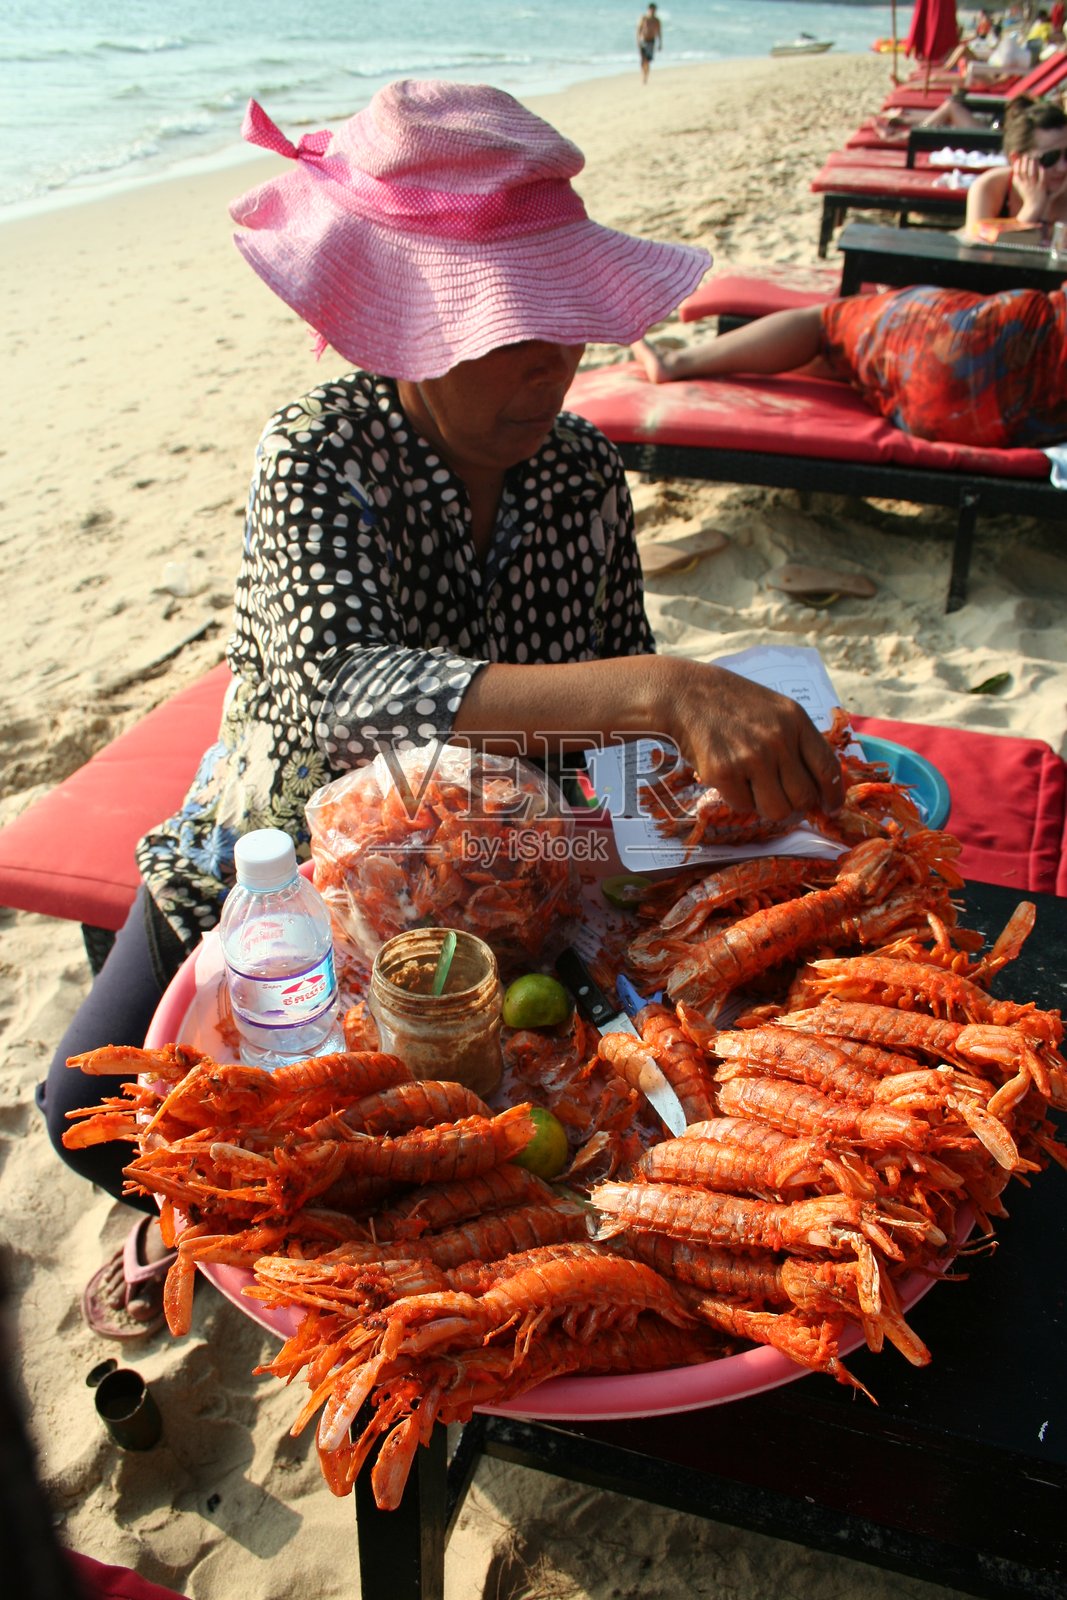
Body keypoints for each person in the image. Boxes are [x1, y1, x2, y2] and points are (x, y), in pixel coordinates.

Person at [41, 79, 844, 1334]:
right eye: (502, 330)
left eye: (561, 325)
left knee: (613, 1123)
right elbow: (341, 698)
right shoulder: (320, 453)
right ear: (410, 326)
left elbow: (617, 706)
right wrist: (653, 688)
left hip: (517, 872)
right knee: (80, 1118)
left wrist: (699, 774)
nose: (546, 365)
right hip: (297, 860)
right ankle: (171, 1224)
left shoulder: (575, 471)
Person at [631, 282, 1067, 450]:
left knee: (827, 322)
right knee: (862, 356)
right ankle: (838, 361)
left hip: (975, 338)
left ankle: (676, 361)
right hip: (985, 421)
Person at [965, 96, 1067, 229]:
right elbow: (978, 246)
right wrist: (1031, 209)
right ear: (1017, 159)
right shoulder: (991, 188)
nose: (1062, 167)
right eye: (1050, 158)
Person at [637, 4, 661, 83]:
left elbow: (659, 32)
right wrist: (638, 40)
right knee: (643, 60)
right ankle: (643, 75)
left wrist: (660, 43)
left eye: (654, 10)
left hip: (651, 41)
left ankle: (646, 76)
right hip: (643, 40)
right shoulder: (644, 18)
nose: (652, 11)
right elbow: (638, 29)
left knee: (647, 60)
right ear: (648, 10)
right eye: (651, 9)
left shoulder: (657, 20)